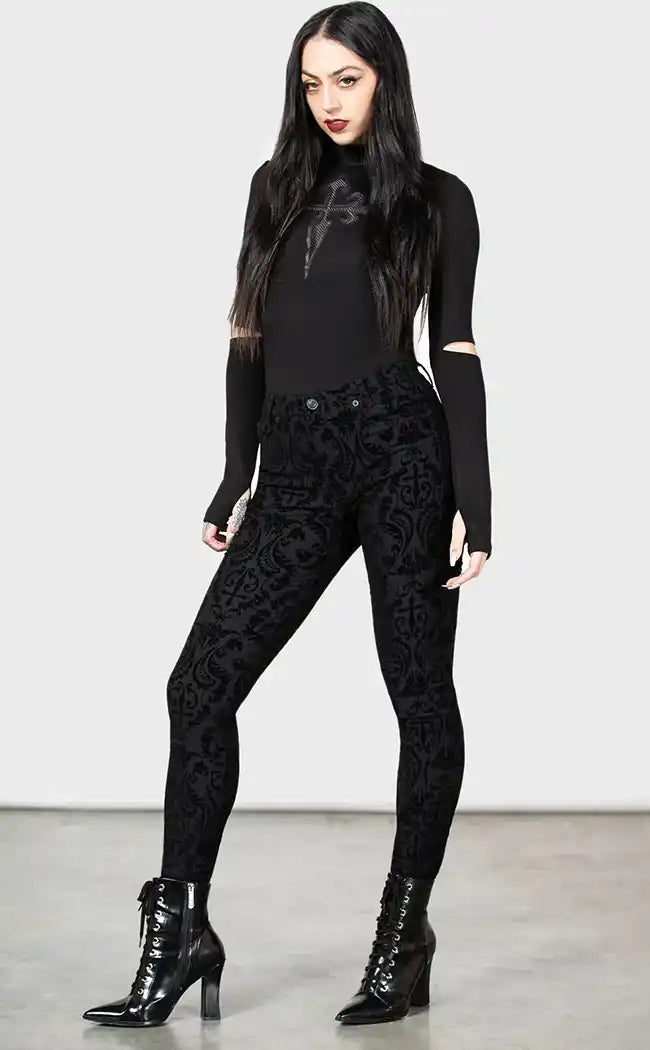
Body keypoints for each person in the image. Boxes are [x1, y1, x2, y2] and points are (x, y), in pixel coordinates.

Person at [82, 0, 492, 1030]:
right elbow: (248, 334)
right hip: (298, 465)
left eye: (346, 80)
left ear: (385, 79)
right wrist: (236, 471)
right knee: (198, 686)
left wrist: (476, 498)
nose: (328, 102)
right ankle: (180, 931)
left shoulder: (437, 199)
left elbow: (454, 348)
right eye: (311, 84)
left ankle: (403, 933)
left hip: (402, 454)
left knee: (417, 694)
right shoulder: (276, 187)